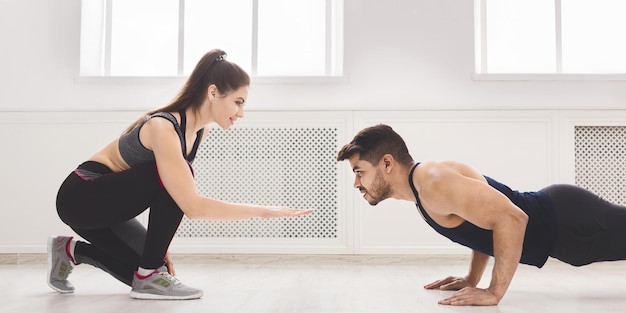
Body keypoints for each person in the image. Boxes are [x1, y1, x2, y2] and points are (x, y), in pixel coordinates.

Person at [49, 49, 313, 300]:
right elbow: (191, 204)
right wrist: (263, 211)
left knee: (153, 269)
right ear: (213, 92)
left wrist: (157, 253)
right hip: (81, 196)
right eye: (238, 102)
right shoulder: (163, 127)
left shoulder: (199, 132)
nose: (241, 113)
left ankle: (71, 251)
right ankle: (149, 275)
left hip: (108, 205)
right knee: (153, 264)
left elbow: (171, 194)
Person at [337, 123, 626, 306]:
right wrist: (472, 278)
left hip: (570, 219)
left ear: (387, 163)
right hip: (565, 235)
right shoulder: (421, 190)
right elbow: (482, 222)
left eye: (359, 172)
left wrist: (494, 292)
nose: (356, 184)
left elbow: (511, 219)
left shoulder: (434, 182)